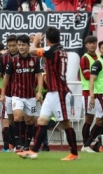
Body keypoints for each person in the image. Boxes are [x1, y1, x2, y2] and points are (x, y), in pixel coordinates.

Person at [18, 27, 79, 161]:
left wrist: (35, 41)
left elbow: (32, 51)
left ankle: (74, 153)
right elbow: (44, 55)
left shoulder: (52, 51)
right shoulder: (60, 50)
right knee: (42, 120)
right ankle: (34, 151)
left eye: (45, 38)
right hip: (52, 93)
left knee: (65, 123)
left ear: (48, 39)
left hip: (59, 92)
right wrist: (39, 44)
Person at [1, 34, 43, 152]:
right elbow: (6, 78)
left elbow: (39, 75)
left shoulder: (35, 60)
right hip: (17, 95)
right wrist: (3, 94)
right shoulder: (13, 61)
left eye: (23, 45)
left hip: (30, 96)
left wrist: (39, 92)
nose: (20, 47)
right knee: (17, 117)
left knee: (30, 120)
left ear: (28, 46)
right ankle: (18, 144)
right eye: (19, 45)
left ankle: (26, 144)